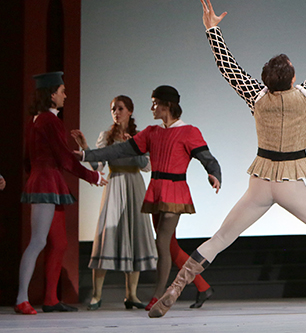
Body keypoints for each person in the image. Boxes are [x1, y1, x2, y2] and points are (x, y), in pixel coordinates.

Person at [147, 0, 306, 318]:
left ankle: (175, 288)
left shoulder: (257, 96)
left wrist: (212, 30)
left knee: (221, 237)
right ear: (291, 78)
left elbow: (228, 68)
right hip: (290, 183)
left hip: (260, 184)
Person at [77, 84, 222, 311]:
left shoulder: (189, 131)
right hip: (156, 192)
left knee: (162, 242)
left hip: (174, 190)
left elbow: (207, 158)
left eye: (155, 103)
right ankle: (198, 287)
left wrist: (214, 174)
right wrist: (88, 154)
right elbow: (118, 150)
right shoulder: (151, 132)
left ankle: (159, 296)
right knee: (165, 245)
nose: (152, 107)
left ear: (166, 106)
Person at [15, 72, 107, 315]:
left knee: (59, 242)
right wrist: (94, 176)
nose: (65, 95)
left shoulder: (36, 121)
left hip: (46, 184)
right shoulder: (48, 121)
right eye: (62, 91)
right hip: (46, 185)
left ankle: (51, 299)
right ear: (52, 93)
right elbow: (65, 159)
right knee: (38, 242)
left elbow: (27, 159)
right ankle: (21, 298)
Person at [71, 96, 158, 310]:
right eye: (113, 109)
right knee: (106, 235)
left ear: (130, 111)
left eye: (120, 108)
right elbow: (97, 167)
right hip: (115, 183)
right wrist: (85, 148)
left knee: (135, 235)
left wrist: (134, 147)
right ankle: (97, 295)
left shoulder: (140, 136)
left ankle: (132, 295)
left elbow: (147, 166)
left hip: (134, 186)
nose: (116, 112)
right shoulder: (106, 136)